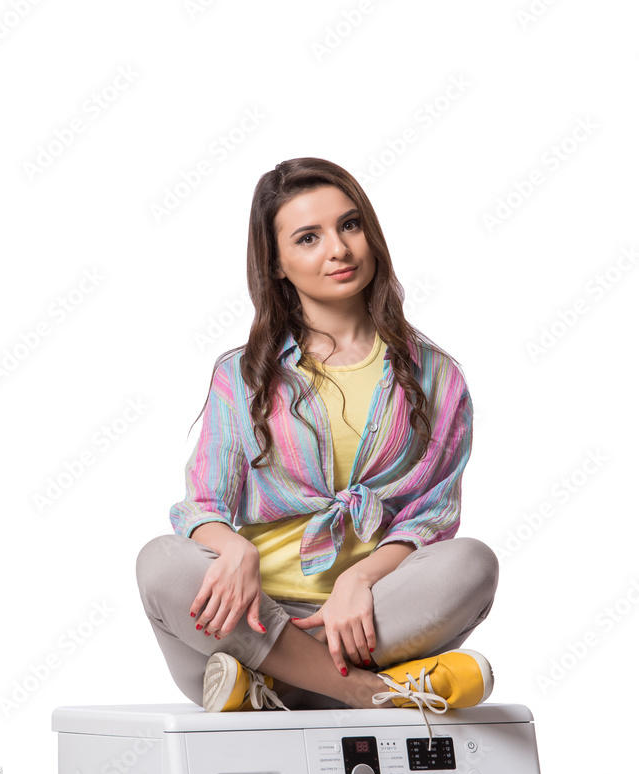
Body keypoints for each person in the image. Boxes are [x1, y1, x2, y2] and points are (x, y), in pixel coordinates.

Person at [136, 157, 499, 735]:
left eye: (350, 225)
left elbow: (431, 516)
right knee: (161, 562)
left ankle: (269, 689)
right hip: (250, 619)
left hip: (370, 621)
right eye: (309, 238)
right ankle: (373, 692)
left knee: (472, 563)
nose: (339, 249)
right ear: (277, 264)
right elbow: (202, 503)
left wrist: (357, 581)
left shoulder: (437, 375)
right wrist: (236, 552)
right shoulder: (243, 374)